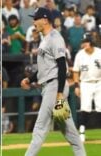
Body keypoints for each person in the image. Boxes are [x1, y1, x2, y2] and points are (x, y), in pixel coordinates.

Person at [20, 7, 86, 156]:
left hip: (54, 86)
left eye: (36, 18)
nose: (33, 21)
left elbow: (62, 66)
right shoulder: (46, 39)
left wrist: (59, 93)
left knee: (40, 128)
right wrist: (30, 79)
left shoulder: (55, 38)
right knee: (70, 132)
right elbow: (45, 68)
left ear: (45, 20)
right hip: (50, 86)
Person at [73, 36, 101, 142]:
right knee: (85, 108)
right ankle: (82, 132)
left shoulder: (99, 52)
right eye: (83, 42)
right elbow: (76, 71)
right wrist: (76, 86)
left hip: (99, 82)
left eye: (86, 42)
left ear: (91, 43)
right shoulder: (80, 55)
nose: (83, 44)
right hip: (85, 83)